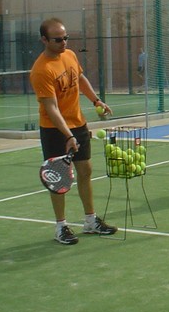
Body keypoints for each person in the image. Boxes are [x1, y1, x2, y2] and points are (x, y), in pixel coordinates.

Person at [29, 18, 118, 245]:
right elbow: (51, 108)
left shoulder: (69, 55)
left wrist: (96, 100)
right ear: (44, 40)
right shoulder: (41, 70)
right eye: (58, 39)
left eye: (66, 37)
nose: (63, 42)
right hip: (54, 130)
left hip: (77, 124)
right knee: (58, 180)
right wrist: (67, 135)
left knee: (85, 171)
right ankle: (61, 227)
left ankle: (90, 221)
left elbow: (80, 79)